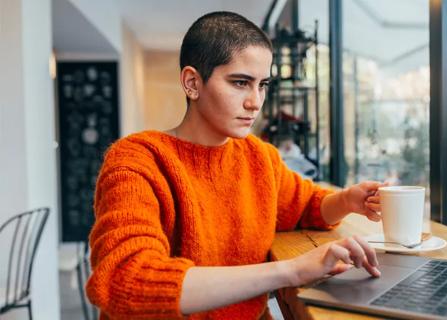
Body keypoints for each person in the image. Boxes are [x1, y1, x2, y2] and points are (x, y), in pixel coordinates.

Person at [86, 11, 387, 320]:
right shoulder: (137, 160)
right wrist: (291, 271)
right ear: (192, 83)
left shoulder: (259, 156)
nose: (256, 102)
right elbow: (127, 280)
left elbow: (305, 205)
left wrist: (348, 200)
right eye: (241, 83)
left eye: (263, 85)